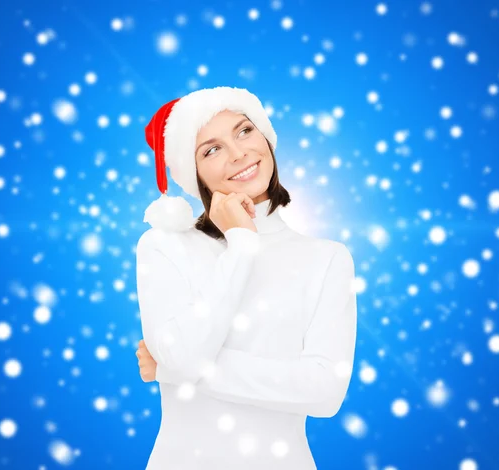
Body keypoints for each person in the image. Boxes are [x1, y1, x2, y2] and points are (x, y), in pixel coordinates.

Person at [134, 86, 357, 469]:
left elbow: (325, 393)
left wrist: (173, 367)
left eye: (244, 131)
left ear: (266, 138)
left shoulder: (327, 258)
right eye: (211, 149)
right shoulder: (164, 245)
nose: (238, 153)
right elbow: (184, 358)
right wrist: (240, 244)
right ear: (196, 173)